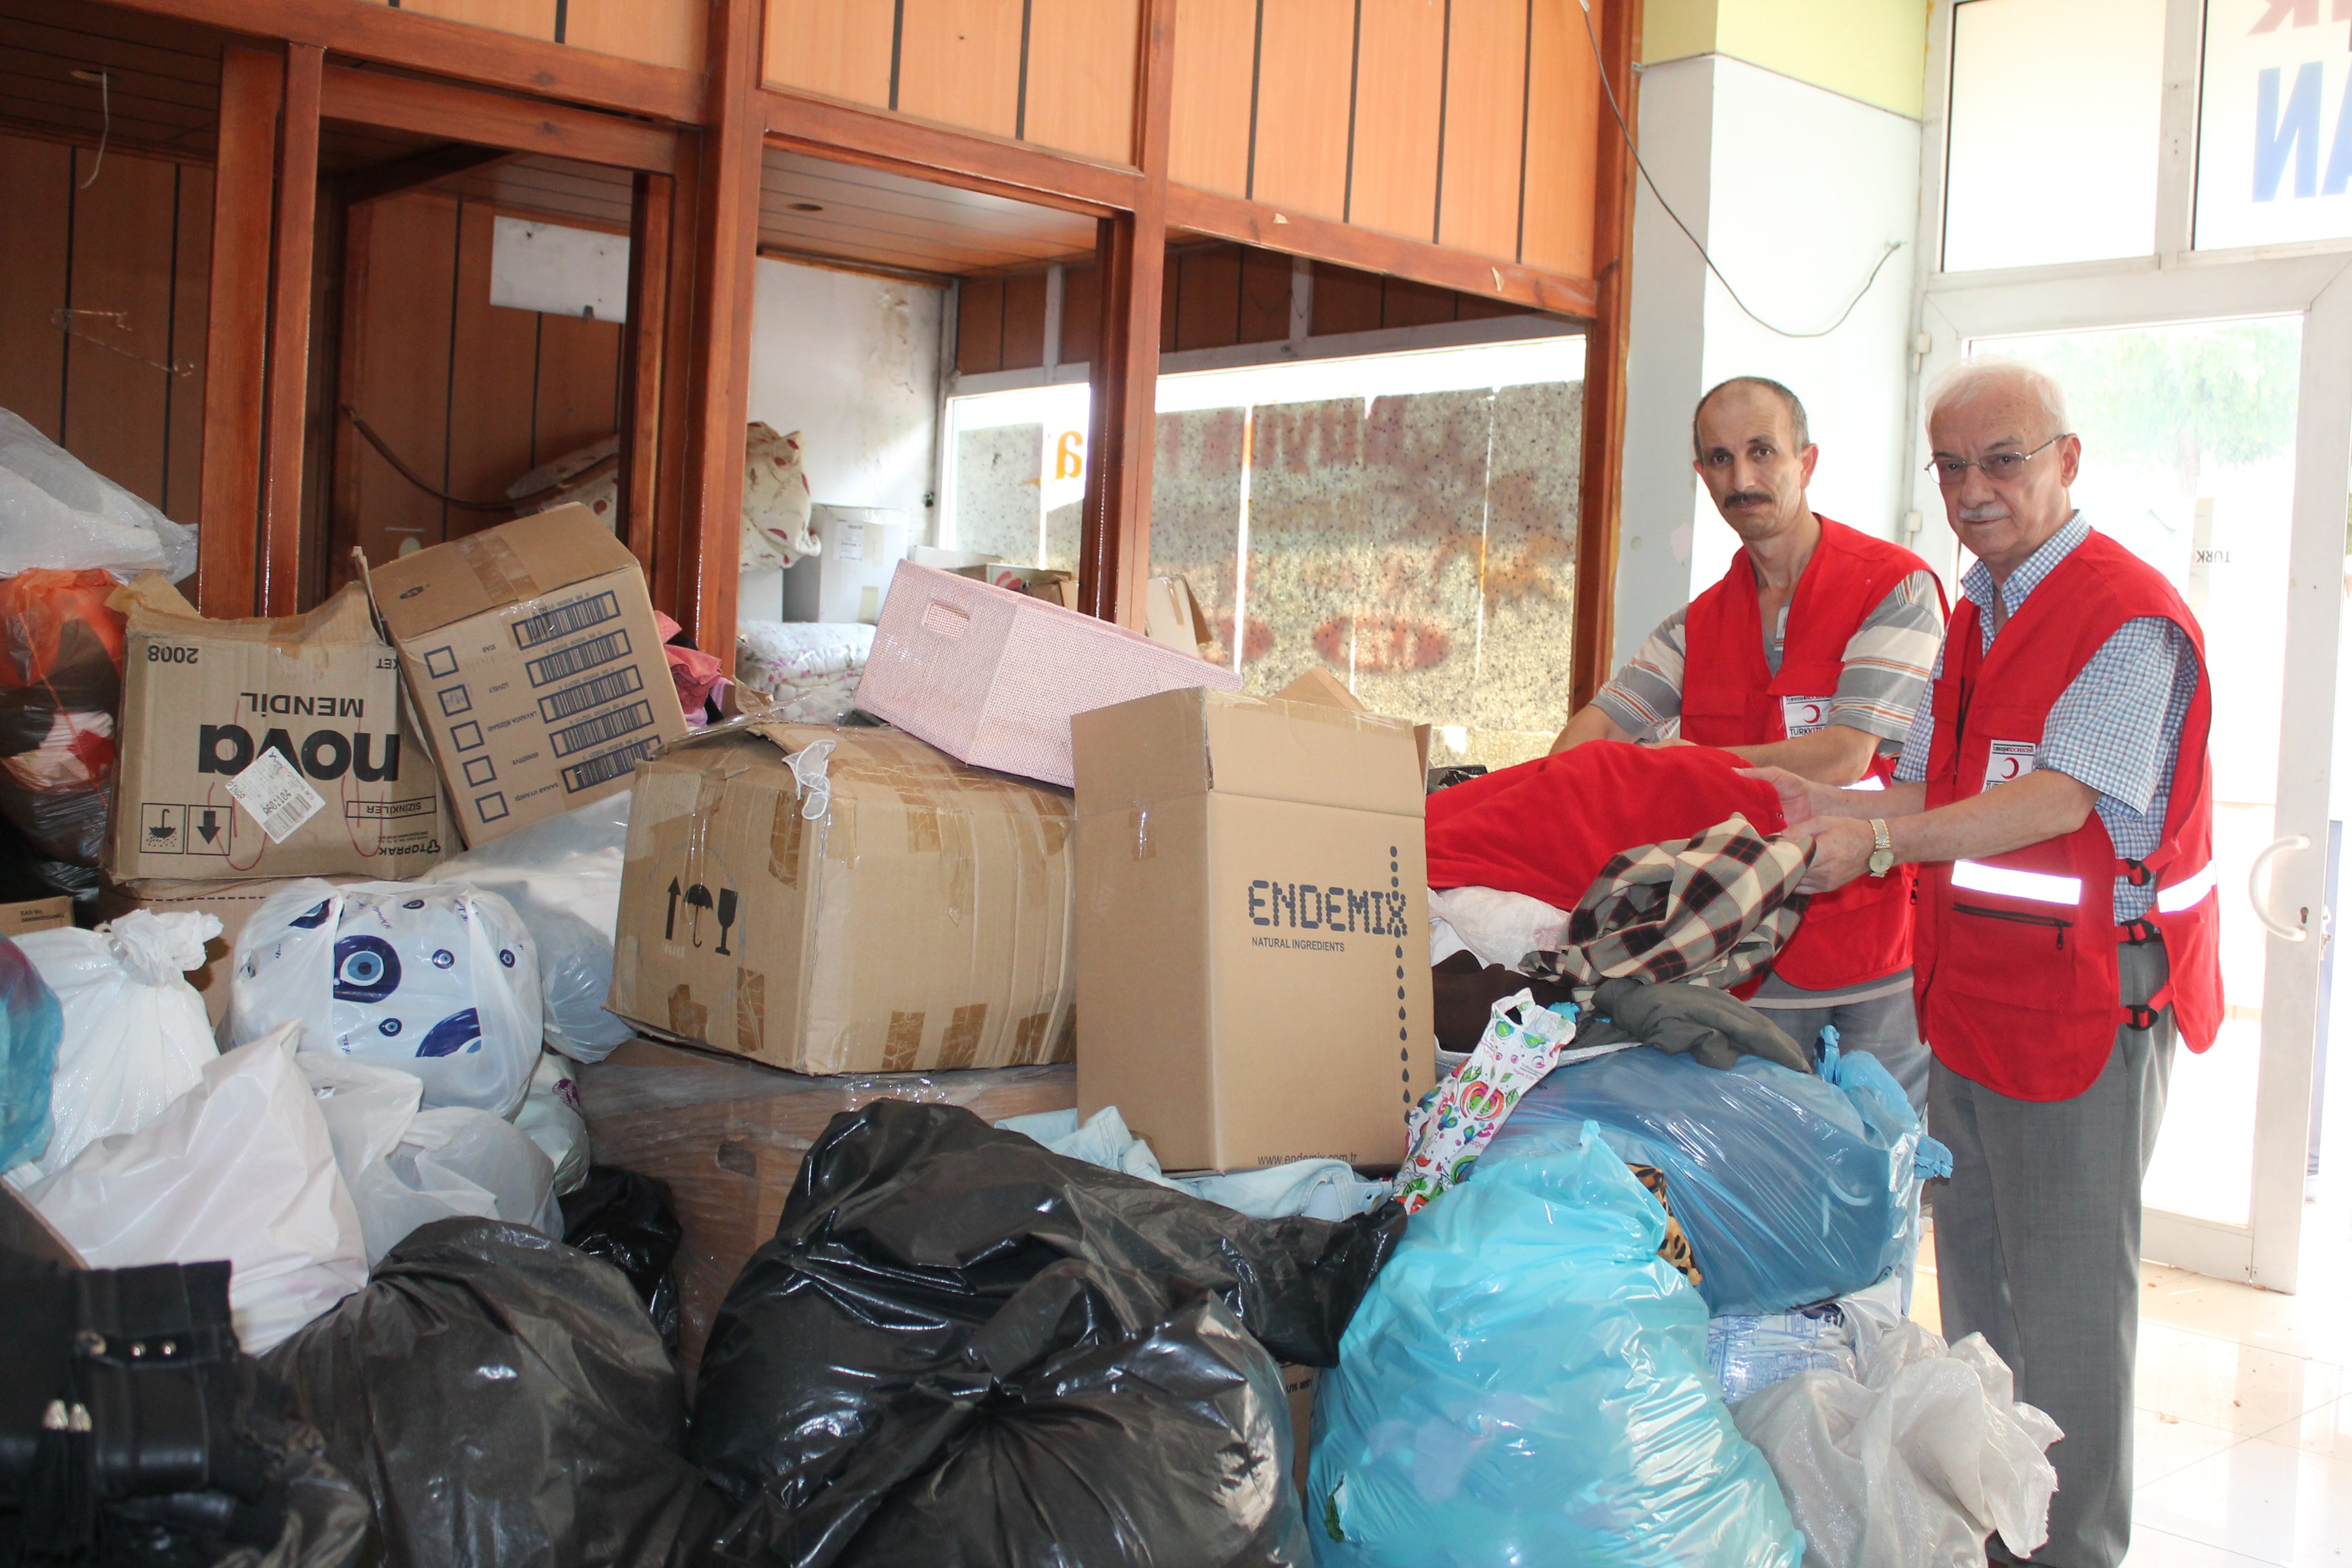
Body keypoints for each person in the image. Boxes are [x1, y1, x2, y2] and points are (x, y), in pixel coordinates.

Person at [1756, 358, 2220, 1568]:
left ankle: (2076, 1551)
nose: (1973, 488)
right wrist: (1822, 806)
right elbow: (1949, 783)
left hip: (2081, 1015)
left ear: (2068, 461)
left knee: (2067, 1321)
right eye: (1951, 465)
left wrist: (1879, 843)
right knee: (1981, 1306)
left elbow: (2060, 800)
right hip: (1967, 1003)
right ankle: (1998, 1536)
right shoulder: (1981, 611)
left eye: (2001, 459)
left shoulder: (2125, 614)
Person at [1552, 376, 1945, 1109]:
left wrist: (1678, 766)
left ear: (1807, 461)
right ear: (1702, 475)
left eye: (1762, 453)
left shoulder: (1895, 588)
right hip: (1738, 951)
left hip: (1870, 945)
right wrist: (1558, 787)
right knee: (1758, 1178)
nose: (1743, 478)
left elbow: (1844, 754)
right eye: (1721, 460)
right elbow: (1605, 721)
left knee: (1879, 1175)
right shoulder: (1696, 625)